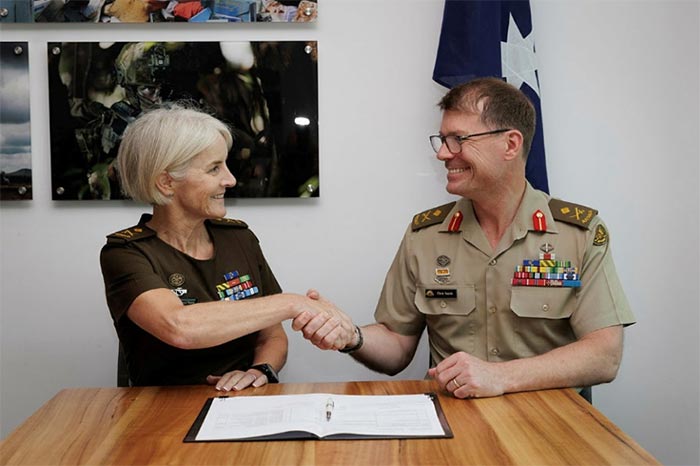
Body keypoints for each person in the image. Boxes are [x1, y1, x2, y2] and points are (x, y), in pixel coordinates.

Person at [294, 77, 635, 399]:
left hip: (552, 424)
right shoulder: (425, 236)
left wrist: (500, 377)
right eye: (442, 140)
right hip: (458, 424)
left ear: (510, 144)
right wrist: (350, 335)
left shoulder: (578, 233)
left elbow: (604, 355)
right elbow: (397, 344)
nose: (443, 153)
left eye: (458, 139)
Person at [99, 105, 336, 390]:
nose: (230, 179)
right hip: (160, 415)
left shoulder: (239, 238)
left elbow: (271, 336)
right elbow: (179, 327)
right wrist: (292, 303)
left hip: (241, 406)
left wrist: (261, 370)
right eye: (214, 168)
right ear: (166, 182)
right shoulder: (126, 253)